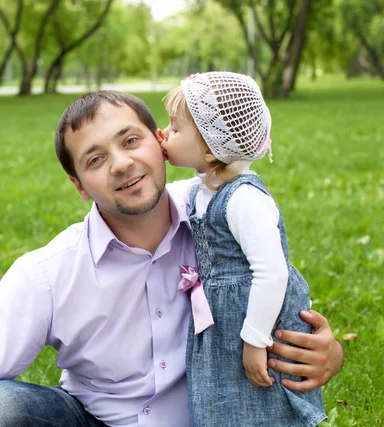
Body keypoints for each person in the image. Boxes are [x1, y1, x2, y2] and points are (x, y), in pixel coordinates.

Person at [0, 91, 343, 427]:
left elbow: (278, 299)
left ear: (160, 143)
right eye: (95, 159)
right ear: (80, 186)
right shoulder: (48, 274)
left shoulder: (220, 217)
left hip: (217, 417)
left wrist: (328, 355)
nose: (121, 164)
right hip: (94, 422)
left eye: (130, 141)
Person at [158, 71, 326, 426]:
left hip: (254, 319)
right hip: (224, 319)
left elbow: (272, 272)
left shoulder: (243, 200)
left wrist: (254, 340)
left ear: (209, 147)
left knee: (261, 399)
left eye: (174, 129)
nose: (165, 134)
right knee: (227, 399)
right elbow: (166, 193)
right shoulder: (205, 188)